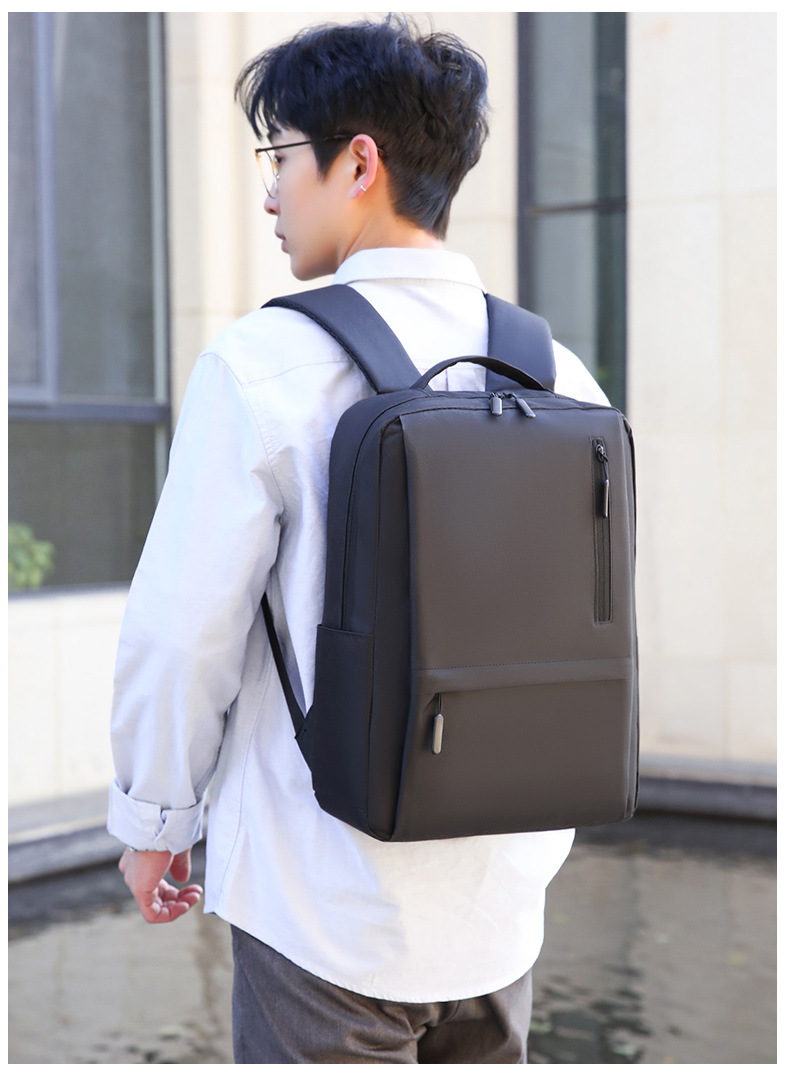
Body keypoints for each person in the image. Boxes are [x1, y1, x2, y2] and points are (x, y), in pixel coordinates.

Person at [108, 16, 608, 1064]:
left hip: (322, 909)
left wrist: (155, 823)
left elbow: (185, 628)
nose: (270, 194)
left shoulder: (263, 365)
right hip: (499, 910)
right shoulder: (560, 373)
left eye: (281, 157)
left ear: (359, 163)